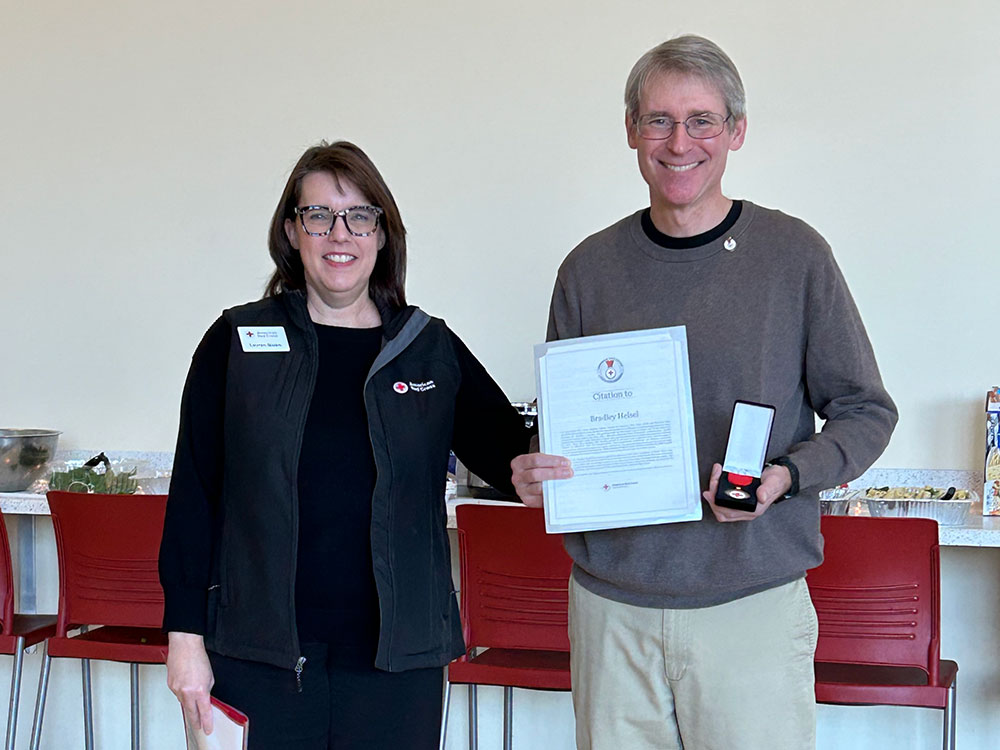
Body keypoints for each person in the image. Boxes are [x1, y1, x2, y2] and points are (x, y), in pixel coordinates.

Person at [511, 35, 897, 750]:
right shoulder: (588, 270)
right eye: (658, 120)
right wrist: (540, 465)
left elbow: (867, 410)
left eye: (702, 121)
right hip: (611, 609)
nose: (678, 141)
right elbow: (571, 430)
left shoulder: (795, 256)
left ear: (736, 132)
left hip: (750, 606)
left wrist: (786, 476)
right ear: (630, 131)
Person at [159, 141, 531, 749]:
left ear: (382, 234)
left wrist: (567, 466)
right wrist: (184, 639)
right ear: (291, 230)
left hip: (396, 660)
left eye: (360, 215)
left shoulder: (426, 347)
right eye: (319, 215)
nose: (341, 233)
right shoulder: (237, 341)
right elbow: (194, 497)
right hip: (260, 653)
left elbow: (512, 456)